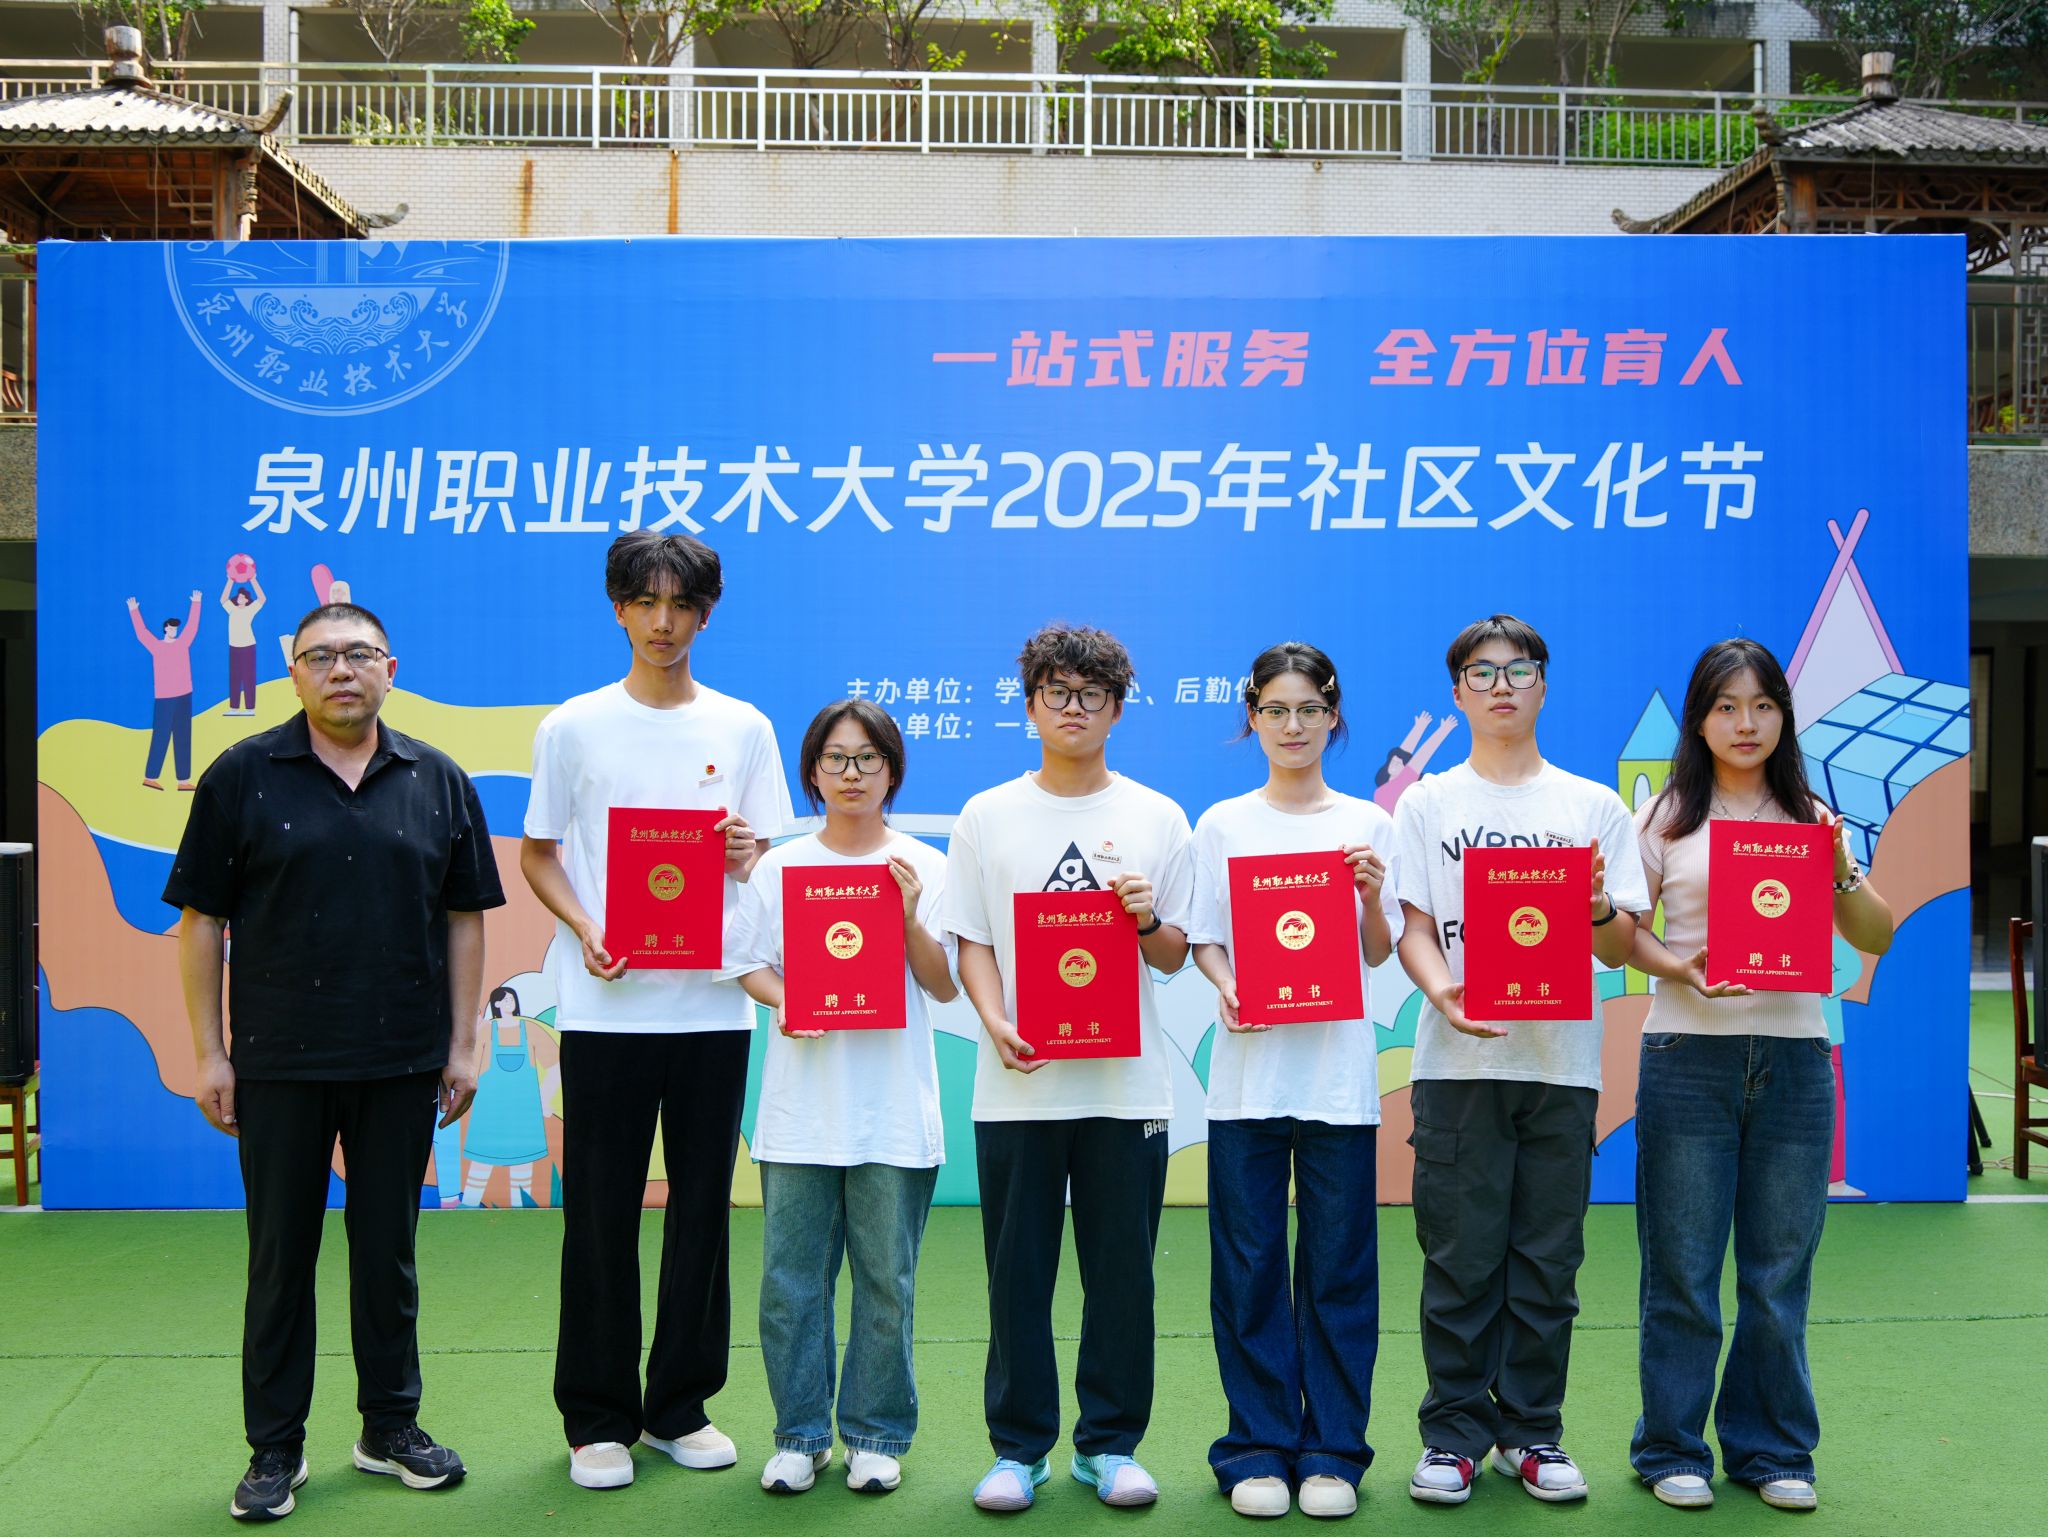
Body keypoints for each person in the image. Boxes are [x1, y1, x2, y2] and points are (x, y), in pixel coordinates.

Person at [167, 601, 504, 1523]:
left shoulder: (437, 778)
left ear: (391, 667)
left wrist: (463, 1042)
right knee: (281, 1257)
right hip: (277, 1060)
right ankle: (275, 1446)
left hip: (401, 1059)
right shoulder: (241, 774)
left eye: (359, 654)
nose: (341, 670)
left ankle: (390, 1426)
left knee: (387, 1253)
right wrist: (210, 1052)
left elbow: (464, 917)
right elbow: (201, 922)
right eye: (320, 656)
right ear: (294, 674)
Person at [520, 530, 792, 1492]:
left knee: (702, 1212)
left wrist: (748, 855)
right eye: (646, 602)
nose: (663, 621)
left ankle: (681, 1405)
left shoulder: (744, 727)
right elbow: (540, 853)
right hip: (606, 1007)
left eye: (681, 604)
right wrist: (586, 925)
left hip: (715, 1007)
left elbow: (765, 861)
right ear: (619, 608)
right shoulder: (574, 726)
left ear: (705, 614)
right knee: (599, 1214)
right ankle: (597, 1417)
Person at [1626, 638, 1894, 1515]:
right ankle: (1671, 1446)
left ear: (1785, 714)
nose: (1746, 723)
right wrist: (1679, 966)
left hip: (1794, 1060)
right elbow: (1620, 937)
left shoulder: (1813, 814)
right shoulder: (1665, 815)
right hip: (1687, 1056)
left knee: (1779, 1271)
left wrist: (1840, 867)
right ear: (1700, 720)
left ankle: (1772, 1448)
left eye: (1764, 705)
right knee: (1682, 1268)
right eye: (1727, 706)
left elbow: (1876, 933)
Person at [1390, 614, 1648, 1508]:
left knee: (1547, 1260)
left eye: (1519, 668)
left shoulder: (1592, 807)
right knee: (1460, 1257)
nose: (1501, 685)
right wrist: (1444, 994)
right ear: (1457, 691)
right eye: (1482, 671)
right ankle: (1453, 1435)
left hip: (1561, 1066)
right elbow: (1413, 927)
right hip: (1457, 1064)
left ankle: (1533, 1432)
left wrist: (1597, 904)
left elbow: (1619, 945)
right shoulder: (1428, 804)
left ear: (1544, 684)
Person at [943, 623, 1193, 1514]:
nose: (1073, 707)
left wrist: (1145, 917)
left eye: (1092, 694)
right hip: (1019, 1086)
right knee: (1017, 1277)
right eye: (1057, 691)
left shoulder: (1158, 816)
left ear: (1117, 708)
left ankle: (1111, 1444)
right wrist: (994, 1019)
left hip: (1126, 1089)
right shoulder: (987, 814)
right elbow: (972, 940)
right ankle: (1018, 1450)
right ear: (1031, 705)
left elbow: (1173, 955)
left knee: (1122, 1276)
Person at [1187, 643, 1399, 1521]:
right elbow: (1204, 938)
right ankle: (1256, 1447)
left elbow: (1378, 952)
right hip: (1247, 1083)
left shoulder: (1367, 824)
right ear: (1253, 717)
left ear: (1333, 715)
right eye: (1275, 710)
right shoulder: (1223, 824)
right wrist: (1229, 985)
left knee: (1340, 1270)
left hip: (1337, 1083)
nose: (1293, 725)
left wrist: (1371, 896)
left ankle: (1333, 1452)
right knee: (1249, 1269)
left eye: (1309, 709)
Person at [724, 700, 957, 1498]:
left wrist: (909, 916)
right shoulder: (780, 866)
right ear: (813, 772)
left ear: (892, 770)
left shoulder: (924, 864)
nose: (851, 773)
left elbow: (944, 984)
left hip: (893, 1112)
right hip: (800, 1114)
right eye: (836, 758)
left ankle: (875, 1435)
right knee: (791, 1285)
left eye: (867, 758)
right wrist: (786, 999)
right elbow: (746, 963)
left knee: (887, 1284)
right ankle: (799, 1436)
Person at [457, 986, 548, 1208]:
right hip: (490, 1111)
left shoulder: (530, 1029)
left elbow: (554, 1065)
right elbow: (472, 1068)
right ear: (496, 1004)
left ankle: (522, 1212)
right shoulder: (487, 1030)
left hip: (524, 1113)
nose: (510, 1002)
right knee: (480, 1162)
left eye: (512, 998)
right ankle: (468, 1207)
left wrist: (545, 1098)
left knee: (523, 1165)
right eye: (505, 999)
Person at [129, 589, 202, 790]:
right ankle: (150, 777)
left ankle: (183, 780)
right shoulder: (157, 646)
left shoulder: (183, 643)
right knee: (160, 735)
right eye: (171, 627)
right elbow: (142, 633)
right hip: (164, 698)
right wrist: (134, 610)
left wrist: (196, 603)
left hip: (184, 696)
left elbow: (192, 627)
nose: (174, 630)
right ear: (165, 629)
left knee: (183, 737)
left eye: (176, 627)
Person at [222, 575, 267, 716]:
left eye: (242, 597)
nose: (239, 598)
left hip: (248, 646)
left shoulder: (250, 609)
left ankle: (250, 708)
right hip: (234, 647)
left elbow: (262, 598)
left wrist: (253, 579)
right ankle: (234, 708)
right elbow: (223, 599)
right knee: (234, 677)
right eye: (239, 597)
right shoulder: (232, 609)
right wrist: (230, 580)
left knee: (248, 677)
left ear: (247, 600)